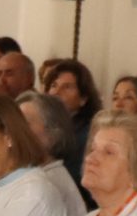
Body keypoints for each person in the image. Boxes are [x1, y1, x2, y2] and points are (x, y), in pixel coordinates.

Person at [17, 91, 86, 216]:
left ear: (52, 133)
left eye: (25, 123)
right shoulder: (34, 175)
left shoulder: (50, 183)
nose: (14, 132)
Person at [44, 59, 102, 189]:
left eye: (67, 87)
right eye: (54, 85)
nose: (57, 92)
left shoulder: (88, 135)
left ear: (83, 99)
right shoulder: (44, 128)